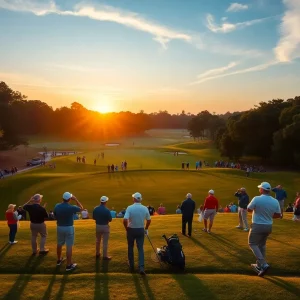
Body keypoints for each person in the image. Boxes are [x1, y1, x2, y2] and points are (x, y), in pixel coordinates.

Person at [247, 182, 281, 277]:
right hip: (268, 226)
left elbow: (249, 209)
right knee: (262, 245)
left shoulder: (257, 199)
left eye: (260, 188)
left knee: (252, 243)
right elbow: (278, 215)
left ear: (262, 190)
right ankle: (259, 265)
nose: (259, 189)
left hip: (257, 225)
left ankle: (264, 264)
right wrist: (268, 215)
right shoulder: (275, 201)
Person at [54, 192, 83, 272]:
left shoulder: (57, 206)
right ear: (70, 199)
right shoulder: (71, 207)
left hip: (59, 227)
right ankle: (69, 265)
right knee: (69, 246)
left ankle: (59, 260)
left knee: (59, 244)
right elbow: (81, 208)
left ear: (62, 198)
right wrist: (76, 199)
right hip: (69, 227)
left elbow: (55, 215)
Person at [123, 192, 151, 276]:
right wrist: (146, 228)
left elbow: (125, 220)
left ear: (134, 199)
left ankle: (131, 266)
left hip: (131, 229)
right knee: (140, 248)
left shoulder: (130, 208)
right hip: (140, 230)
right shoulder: (145, 208)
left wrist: (126, 228)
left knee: (130, 247)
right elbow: (149, 220)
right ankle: (141, 267)